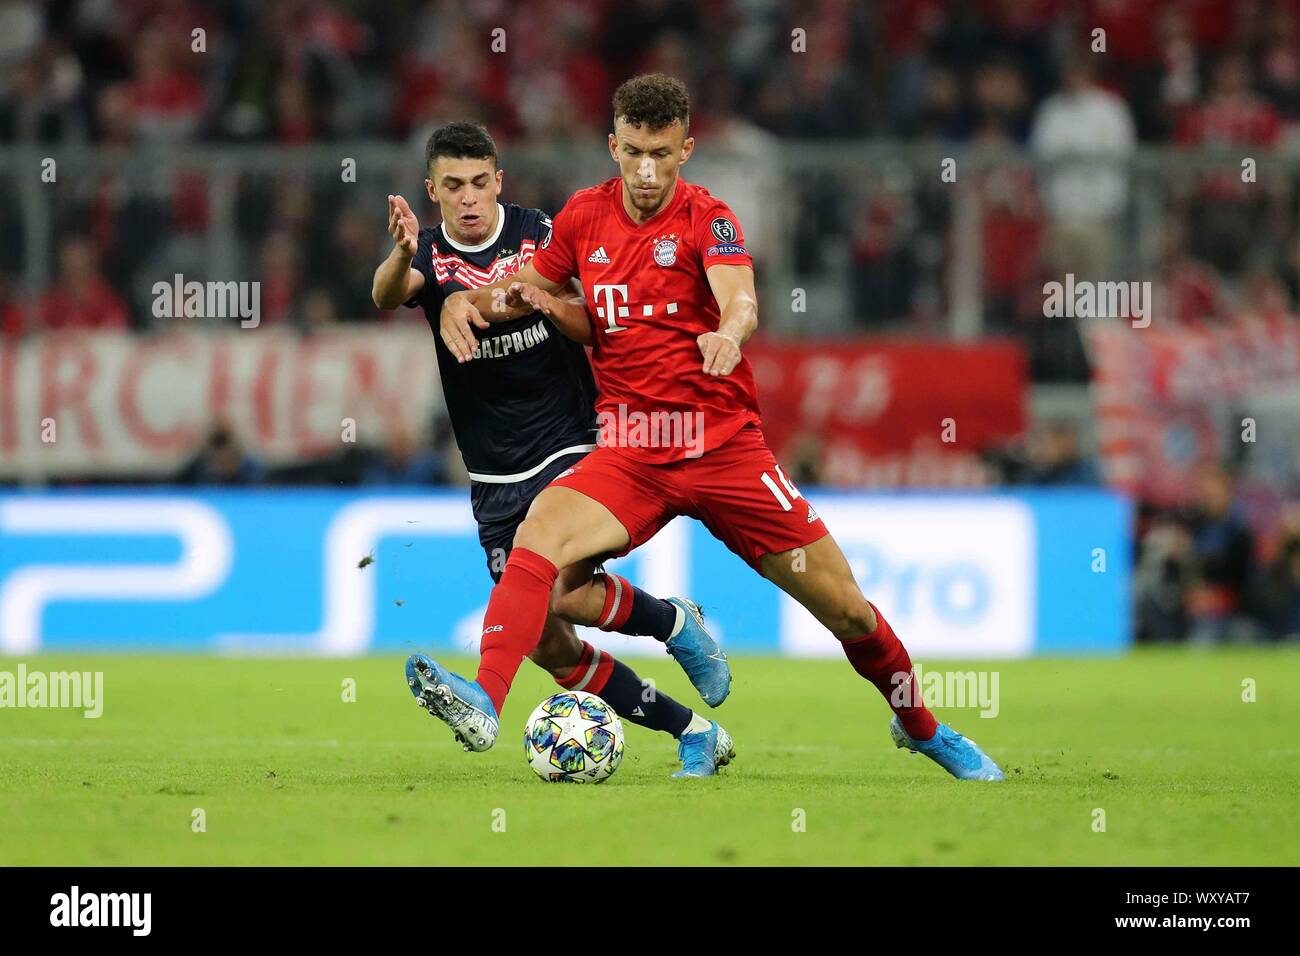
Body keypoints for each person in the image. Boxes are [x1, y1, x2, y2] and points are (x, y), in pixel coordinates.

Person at [432, 75, 1004, 782]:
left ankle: (922, 726)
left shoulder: (710, 220)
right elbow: (534, 291)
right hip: (633, 452)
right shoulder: (582, 218)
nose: (646, 171)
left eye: (662, 154)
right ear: (613, 146)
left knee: (849, 612)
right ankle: (484, 699)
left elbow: (741, 298)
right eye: (634, 152)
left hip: (725, 451)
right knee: (538, 538)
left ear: (686, 150)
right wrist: (466, 302)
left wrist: (729, 332)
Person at [371, 121, 733, 778]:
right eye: (454, 187)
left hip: (573, 442)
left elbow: (592, 319)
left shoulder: (541, 233)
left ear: (499, 182)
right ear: (433, 192)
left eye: (481, 182)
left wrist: (532, 296)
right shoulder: (427, 254)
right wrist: (401, 257)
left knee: (561, 588)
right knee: (551, 642)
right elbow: (388, 292)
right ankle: (692, 722)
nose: (470, 198)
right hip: (492, 472)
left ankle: (485, 699)